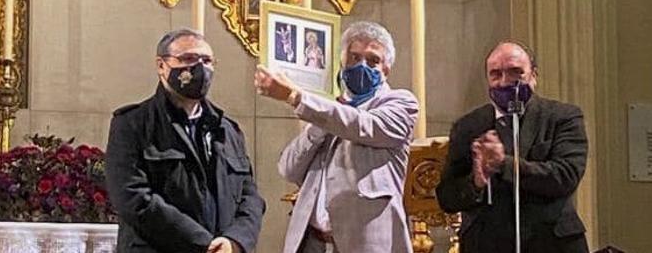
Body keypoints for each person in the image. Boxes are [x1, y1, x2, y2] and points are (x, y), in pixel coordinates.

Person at [255, 21, 418, 253]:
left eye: (373, 61)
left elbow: (362, 125)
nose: (362, 66)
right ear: (341, 62)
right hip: (312, 242)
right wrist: (318, 126)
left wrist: (296, 97)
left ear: (386, 70)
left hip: (363, 244)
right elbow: (288, 169)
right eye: (354, 57)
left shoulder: (401, 103)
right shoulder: (329, 111)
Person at [105, 28, 265, 253]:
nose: (200, 68)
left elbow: (250, 197)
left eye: (207, 60)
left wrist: (235, 240)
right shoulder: (132, 124)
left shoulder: (228, 130)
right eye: (188, 59)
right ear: (162, 66)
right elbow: (133, 197)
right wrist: (202, 243)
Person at [435, 41, 589, 253]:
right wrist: (476, 182)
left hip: (550, 241)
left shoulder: (562, 117)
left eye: (515, 72)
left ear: (533, 75)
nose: (505, 82)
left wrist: (504, 164)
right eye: (495, 74)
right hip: (486, 243)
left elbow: (565, 176)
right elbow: (447, 197)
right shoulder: (468, 126)